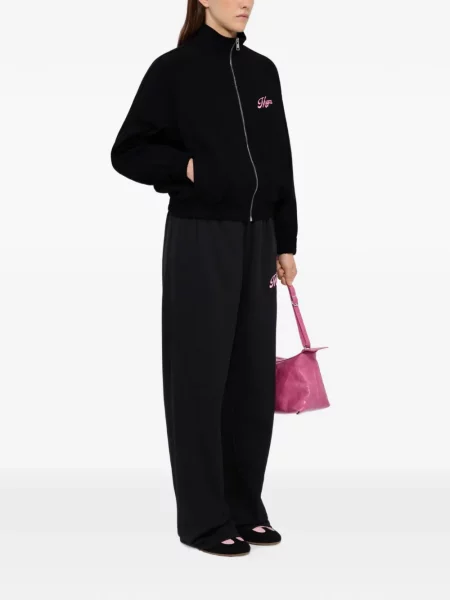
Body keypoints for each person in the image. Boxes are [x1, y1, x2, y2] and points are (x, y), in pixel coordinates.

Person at [110, 0, 298, 558]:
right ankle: (202, 519)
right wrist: (185, 167)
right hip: (200, 237)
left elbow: (280, 159)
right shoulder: (174, 70)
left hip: (259, 238)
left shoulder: (263, 71)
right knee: (199, 378)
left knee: (251, 380)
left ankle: (245, 507)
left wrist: (286, 240)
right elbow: (127, 151)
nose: (245, 2)